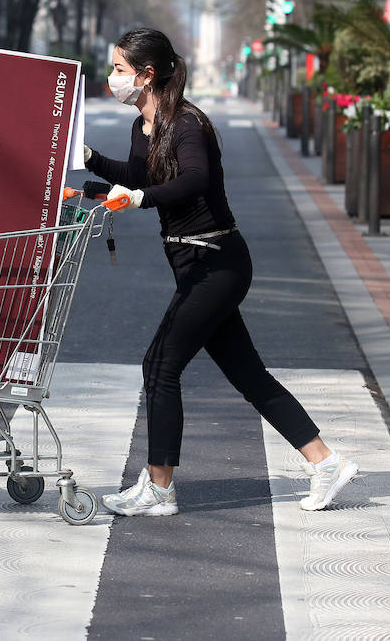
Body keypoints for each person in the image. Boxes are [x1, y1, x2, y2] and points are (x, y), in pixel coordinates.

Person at [83, 28, 358, 517]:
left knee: (160, 365)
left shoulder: (187, 124)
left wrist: (142, 197)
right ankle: (326, 462)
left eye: (121, 70)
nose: (114, 78)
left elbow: (194, 180)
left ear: (147, 75)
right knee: (248, 374)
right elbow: (141, 176)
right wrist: (91, 166)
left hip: (216, 261)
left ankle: (160, 488)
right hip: (193, 262)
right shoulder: (142, 125)